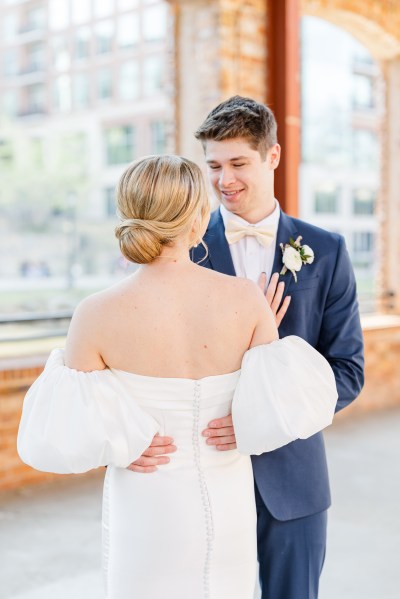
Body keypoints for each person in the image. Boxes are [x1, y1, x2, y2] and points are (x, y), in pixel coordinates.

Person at [17, 155, 338, 599]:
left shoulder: (94, 314)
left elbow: (66, 431)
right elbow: (289, 404)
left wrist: (123, 442)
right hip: (226, 501)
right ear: (198, 219)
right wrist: (244, 426)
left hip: (146, 505)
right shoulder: (246, 299)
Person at [133, 97, 365, 599]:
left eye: (239, 163)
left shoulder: (326, 251)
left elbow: (347, 370)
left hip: (294, 478)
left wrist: (265, 415)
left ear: (273, 156)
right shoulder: (179, 250)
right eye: (214, 166)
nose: (224, 180)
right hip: (201, 473)